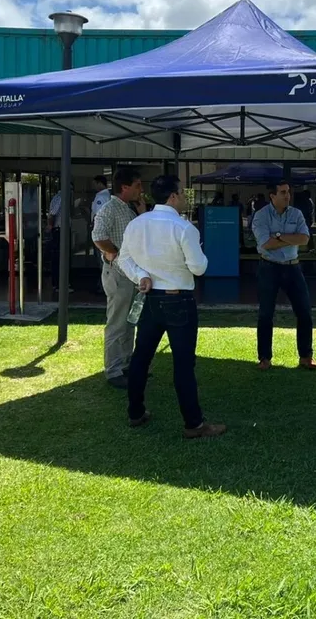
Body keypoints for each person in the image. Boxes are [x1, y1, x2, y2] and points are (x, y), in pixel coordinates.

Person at [118, 175, 226, 439]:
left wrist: (140, 275)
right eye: (182, 194)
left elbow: (124, 259)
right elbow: (199, 267)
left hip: (149, 298)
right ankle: (194, 424)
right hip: (178, 299)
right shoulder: (184, 228)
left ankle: (135, 412)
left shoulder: (137, 224)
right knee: (183, 364)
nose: (185, 198)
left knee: (141, 358)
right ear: (173, 196)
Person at [250, 180, 316, 371]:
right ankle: (264, 357)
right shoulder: (261, 216)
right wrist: (289, 237)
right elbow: (265, 244)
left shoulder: (296, 213)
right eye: (282, 192)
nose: (287, 195)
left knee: (304, 312)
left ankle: (306, 356)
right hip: (269, 267)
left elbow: (304, 239)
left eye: (288, 192)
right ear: (272, 196)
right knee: (265, 314)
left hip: (293, 267)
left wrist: (278, 236)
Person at [92, 166, 145, 389]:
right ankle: (113, 370)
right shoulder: (110, 208)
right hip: (118, 275)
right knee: (117, 323)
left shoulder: (128, 208)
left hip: (130, 275)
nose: (141, 190)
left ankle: (126, 364)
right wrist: (113, 253)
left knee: (130, 321)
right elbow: (97, 236)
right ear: (125, 187)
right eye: (137, 186)